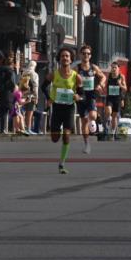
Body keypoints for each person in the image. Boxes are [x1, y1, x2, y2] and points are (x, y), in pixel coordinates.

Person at [45, 46, 81, 174]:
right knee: (55, 138)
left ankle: (62, 163)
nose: (65, 58)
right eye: (62, 56)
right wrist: (49, 98)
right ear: (59, 59)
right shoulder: (54, 74)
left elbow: (82, 92)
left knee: (66, 135)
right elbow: (44, 86)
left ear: (71, 59)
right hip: (57, 108)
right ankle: (56, 130)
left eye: (67, 56)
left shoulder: (76, 76)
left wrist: (78, 96)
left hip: (69, 108)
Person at [75, 45, 105, 154]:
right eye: (84, 53)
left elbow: (103, 77)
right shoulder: (76, 68)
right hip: (81, 95)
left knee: (92, 116)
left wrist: (100, 85)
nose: (86, 55)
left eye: (88, 53)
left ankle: (97, 121)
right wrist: (74, 93)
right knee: (84, 121)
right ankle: (87, 144)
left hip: (91, 94)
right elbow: (70, 80)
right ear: (80, 55)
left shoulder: (94, 68)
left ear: (90, 55)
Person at [102, 61, 127, 141]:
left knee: (114, 117)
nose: (113, 69)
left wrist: (120, 85)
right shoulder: (109, 76)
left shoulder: (121, 76)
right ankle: (107, 123)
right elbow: (105, 86)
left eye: (115, 67)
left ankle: (112, 133)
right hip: (110, 97)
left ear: (118, 69)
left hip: (118, 98)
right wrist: (103, 88)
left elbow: (125, 89)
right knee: (108, 111)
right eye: (112, 67)